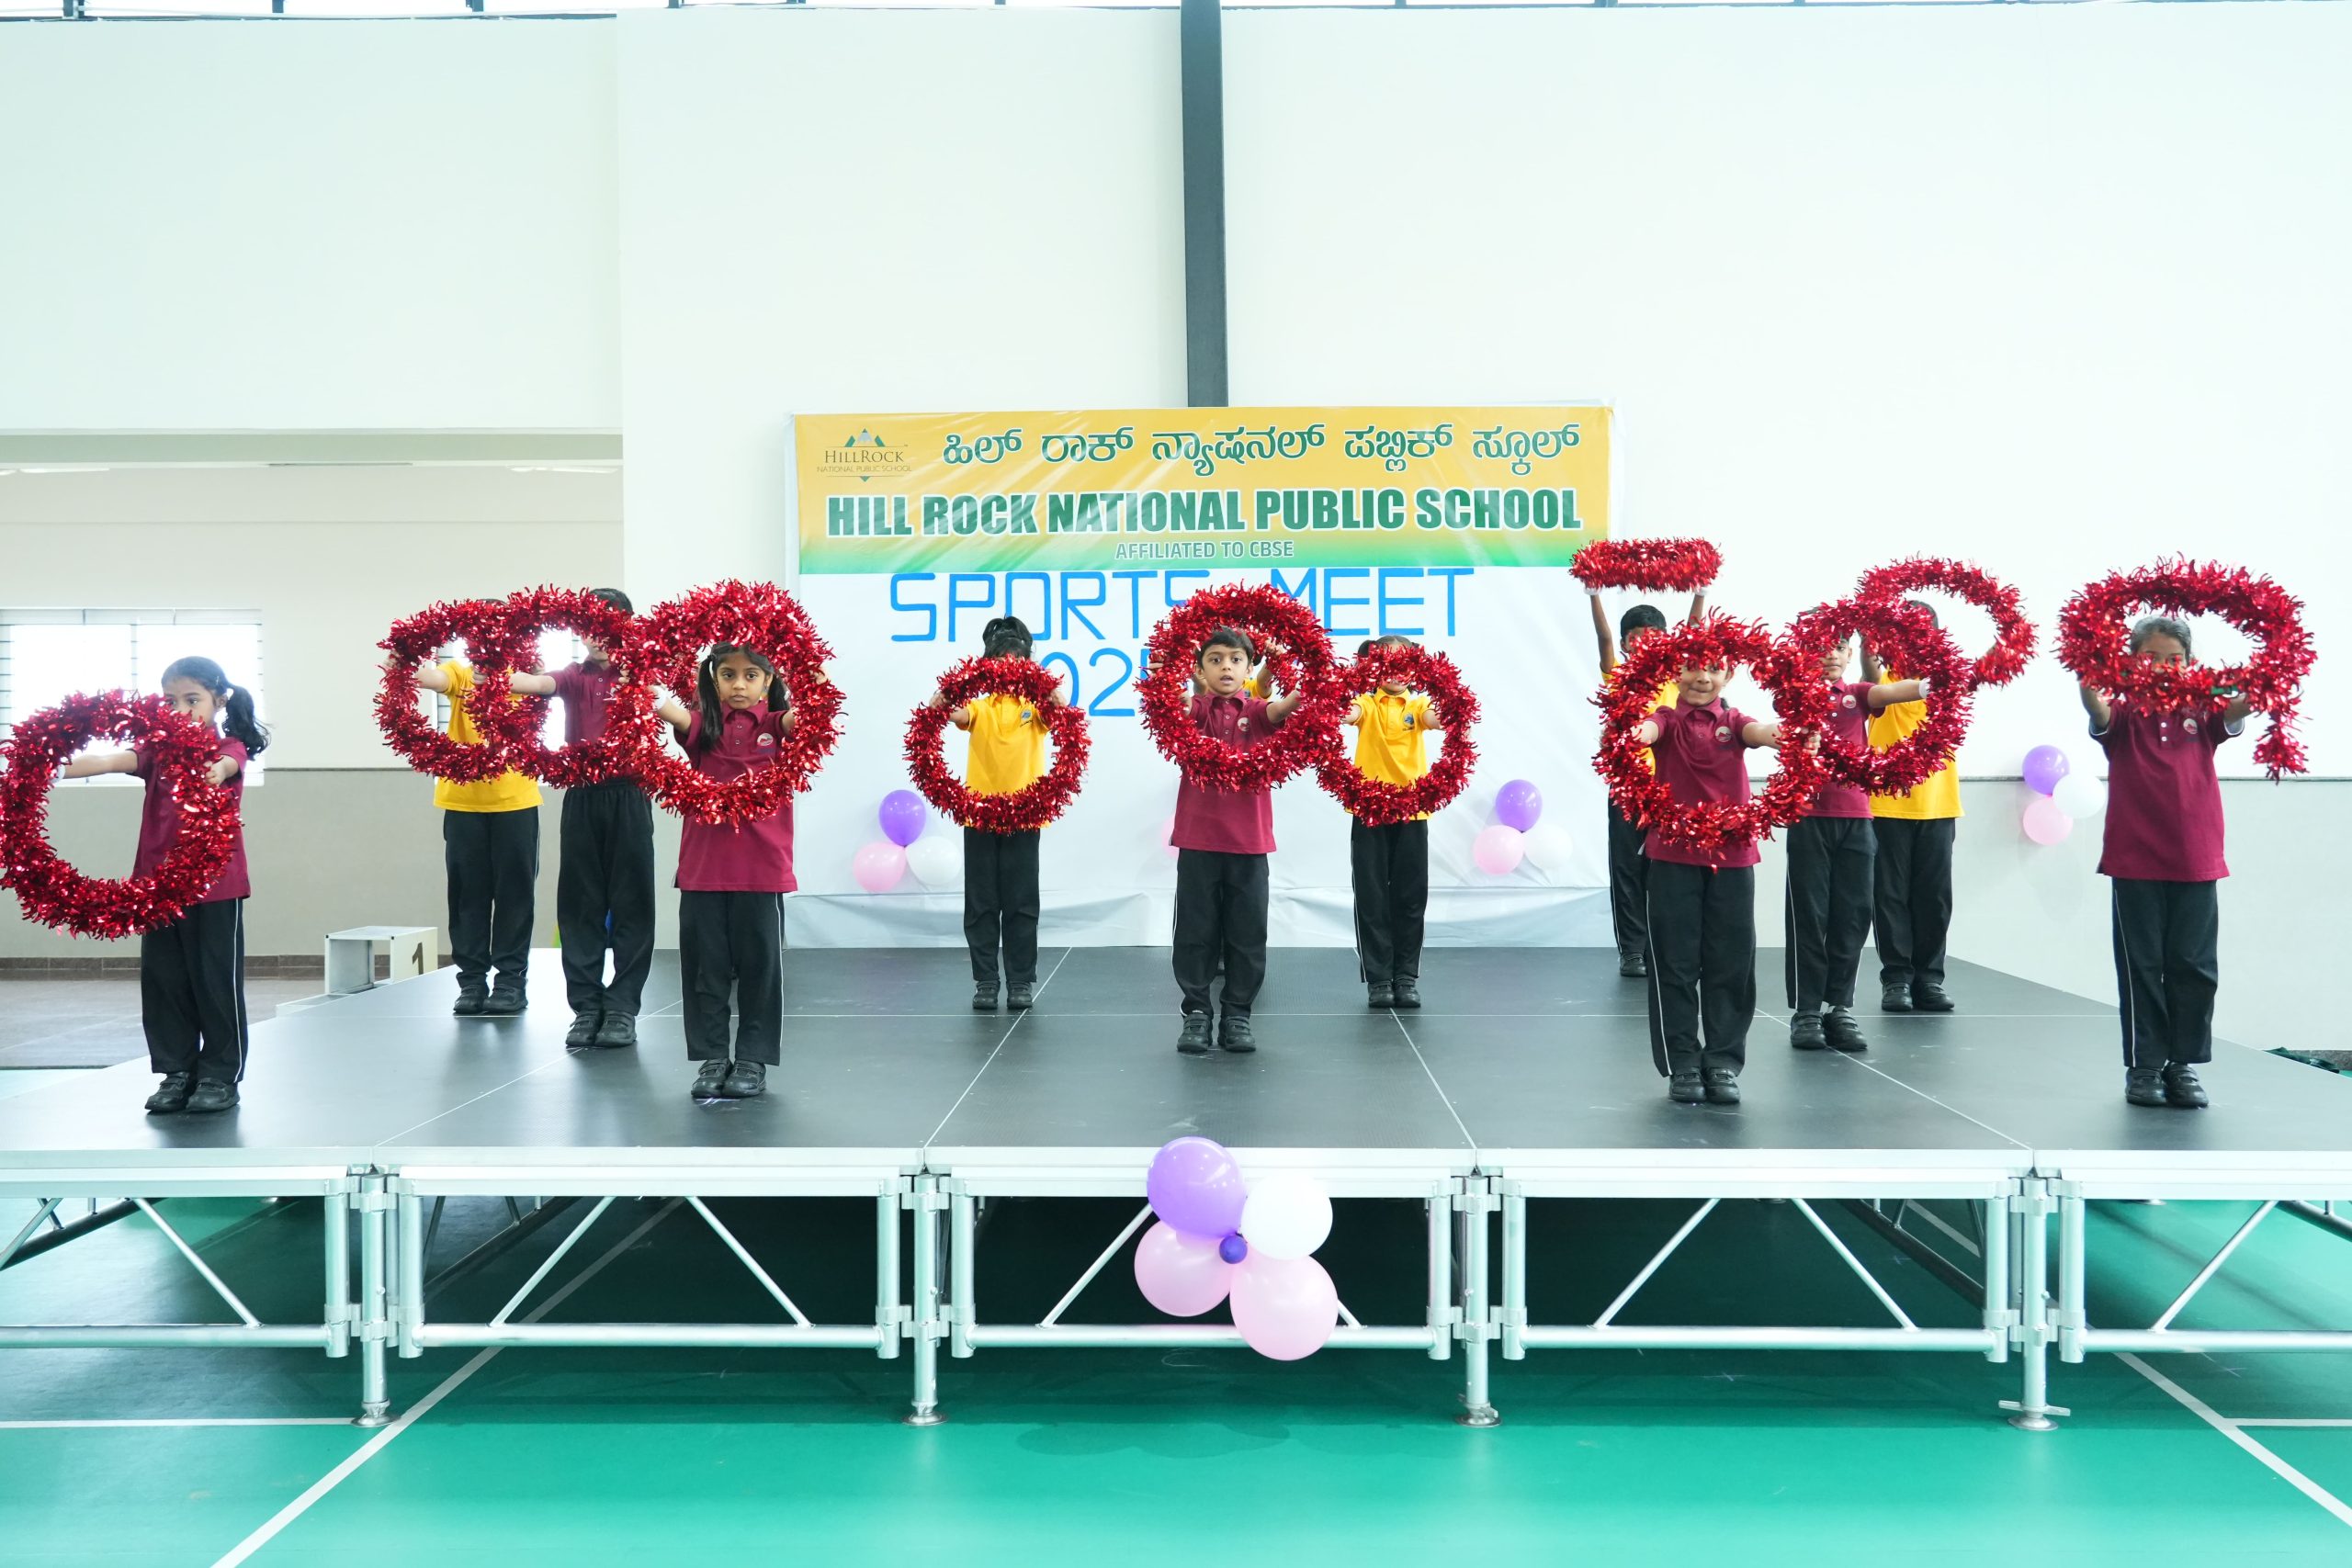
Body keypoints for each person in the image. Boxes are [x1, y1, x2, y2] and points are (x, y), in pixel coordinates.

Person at [63, 658, 266, 1115]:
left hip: (215, 887)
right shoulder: (156, 751)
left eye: (193, 699)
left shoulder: (229, 746)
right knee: (165, 982)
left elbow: (227, 765)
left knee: (214, 981)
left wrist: (215, 770)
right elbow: (109, 759)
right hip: (157, 889)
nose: (181, 710)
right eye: (171, 701)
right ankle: (177, 1072)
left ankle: (220, 1075)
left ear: (219, 700)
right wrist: (46, 767)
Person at [2080, 615, 2253, 1110]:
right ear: (2133, 661)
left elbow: (2244, 703)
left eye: (2174, 659)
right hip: (2134, 857)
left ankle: (2183, 1065)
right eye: (2150, 657)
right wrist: (2088, 669)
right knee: (2142, 966)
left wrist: (2270, 675)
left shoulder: (2204, 709)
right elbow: (2094, 704)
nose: (2162, 667)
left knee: (2194, 966)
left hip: (2196, 855)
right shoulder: (2123, 711)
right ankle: (2145, 1067)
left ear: (2189, 664)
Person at [1628, 660, 1786, 1105]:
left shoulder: (1734, 722)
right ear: (1674, 674)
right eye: (1692, 668)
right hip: (1671, 857)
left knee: (1731, 964)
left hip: (1732, 859)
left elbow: (1760, 732)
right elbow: (1647, 731)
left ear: (1728, 677)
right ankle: (1682, 1062)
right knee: (1674, 964)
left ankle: (1722, 1062)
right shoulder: (1666, 718)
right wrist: (1632, 734)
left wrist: (1782, 735)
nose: (1703, 677)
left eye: (1714, 669)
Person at [508, 589, 654, 1051]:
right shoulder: (575, 675)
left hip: (630, 796)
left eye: (608, 626)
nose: (597, 637)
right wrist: (490, 670)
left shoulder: (642, 674)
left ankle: (623, 1007)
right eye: (589, 627)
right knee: (579, 905)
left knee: (632, 905)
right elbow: (532, 684)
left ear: (627, 627)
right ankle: (587, 1007)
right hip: (582, 798)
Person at [1785, 632, 1928, 1053]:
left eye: (1837, 647)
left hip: (1857, 820)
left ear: (1849, 654)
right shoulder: (1795, 696)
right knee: (1809, 917)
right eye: (1819, 647)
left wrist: (1938, 681)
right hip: (1809, 819)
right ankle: (1807, 1010)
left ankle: (1839, 1007)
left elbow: (1895, 691)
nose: (1829, 654)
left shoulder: (1859, 695)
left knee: (1852, 916)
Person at [664, 645, 795, 1100]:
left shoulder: (777, 725)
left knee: (760, 969)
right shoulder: (703, 725)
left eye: (751, 675)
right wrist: (643, 674)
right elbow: (663, 707)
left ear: (768, 680)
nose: (739, 684)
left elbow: (814, 719)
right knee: (706, 970)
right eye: (728, 675)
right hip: (703, 869)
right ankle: (713, 1056)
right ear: (714, 679)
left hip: (761, 868)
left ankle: (753, 1059)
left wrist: (811, 670)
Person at [1170, 626, 1306, 1055]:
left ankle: (1237, 1014)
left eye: (1235, 659)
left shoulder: (1260, 711)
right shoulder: (1195, 710)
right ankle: (1196, 1012)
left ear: (1249, 668)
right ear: (1200, 669)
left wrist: (1305, 679)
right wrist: (1163, 675)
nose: (1225, 667)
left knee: (1248, 933)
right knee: (1195, 931)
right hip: (1198, 839)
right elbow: (1171, 703)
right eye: (1215, 659)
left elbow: (1286, 706)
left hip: (1249, 842)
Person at [933, 615, 1067, 1012]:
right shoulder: (980, 706)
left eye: (1017, 661)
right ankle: (986, 981)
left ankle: (1021, 981)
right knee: (981, 902)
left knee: (1022, 902)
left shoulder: (1034, 706)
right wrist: (942, 699)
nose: (1009, 669)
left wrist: (1050, 690)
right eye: (1000, 661)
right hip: (979, 816)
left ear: (1027, 665)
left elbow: (1060, 712)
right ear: (988, 665)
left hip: (1025, 817)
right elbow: (955, 715)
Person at [402, 652, 541, 1018]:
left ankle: (511, 982)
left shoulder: (524, 679)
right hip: (463, 804)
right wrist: (401, 655)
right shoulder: (461, 675)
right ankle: (472, 982)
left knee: (515, 895)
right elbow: (426, 678)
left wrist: (533, 673)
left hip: (516, 803)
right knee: (467, 897)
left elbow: (551, 688)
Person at [1589, 586, 1706, 978]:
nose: (1644, 644)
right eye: (1636, 638)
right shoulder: (1619, 678)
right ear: (1626, 644)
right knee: (1627, 870)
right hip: (1627, 788)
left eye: (1653, 637)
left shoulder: (1677, 678)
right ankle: (1633, 951)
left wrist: (1701, 593)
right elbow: (1603, 639)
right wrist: (1593, 595)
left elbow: (1693, 630)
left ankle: (1665, 948)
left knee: (1669, 870)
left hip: (1671, 790)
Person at [1861, 605, 1962, 1014]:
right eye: (1903, 632)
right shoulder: (1882, 682)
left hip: (1938, 805)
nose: (1913, 641)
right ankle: (1897, 979)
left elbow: (1990, 668)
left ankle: (1930, 979)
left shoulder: (1948, 684)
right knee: (1889, 897)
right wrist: (1872, 618)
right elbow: (1869, 662)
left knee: (1934, 898)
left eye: (1922, 633)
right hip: (1886, 805)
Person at [1341, 635, 1445, 1010]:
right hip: (1369, 811)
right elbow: (1346, 714)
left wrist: (1450, 700)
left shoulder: (1418, 704)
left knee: (1410, 895)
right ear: (1373, 667)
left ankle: (1405, 976)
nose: (1395, 671)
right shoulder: (1367, 703)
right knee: (1372, 896)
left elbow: (1436, 719)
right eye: (1386, 663)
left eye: (1404, 663)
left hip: (1413, 812)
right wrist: (1349, 684)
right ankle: (1379, 979)